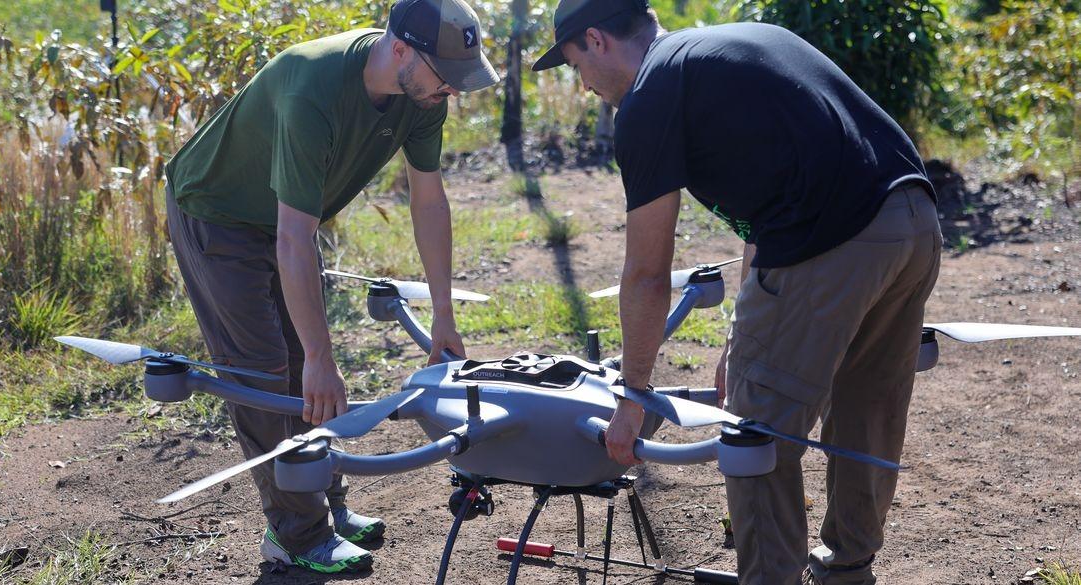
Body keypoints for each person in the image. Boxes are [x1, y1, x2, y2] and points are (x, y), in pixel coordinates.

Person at [533, 1, 941, 583]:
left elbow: (648, 272)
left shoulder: (650, 95)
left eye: (575, 64)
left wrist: (634, 395)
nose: (584, 84)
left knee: (757, 437)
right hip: (914, 220)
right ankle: (849, 568)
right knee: (868, 407)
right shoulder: (731, 45)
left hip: (830, 239)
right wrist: (739, 339)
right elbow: (763, 210)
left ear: (595, 40)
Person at [163, 0, 498, 574]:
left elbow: (429, 201)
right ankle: (295, 534)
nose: (454, 92)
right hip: (218, 213)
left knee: (308, 373)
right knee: (268, 372)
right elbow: (295, 238)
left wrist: (444, 315)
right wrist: (319, 355)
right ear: (400, 51)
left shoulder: (421, 95)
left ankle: (328, 505)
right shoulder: (311, 87)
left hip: (284, 221)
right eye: (447, 77)